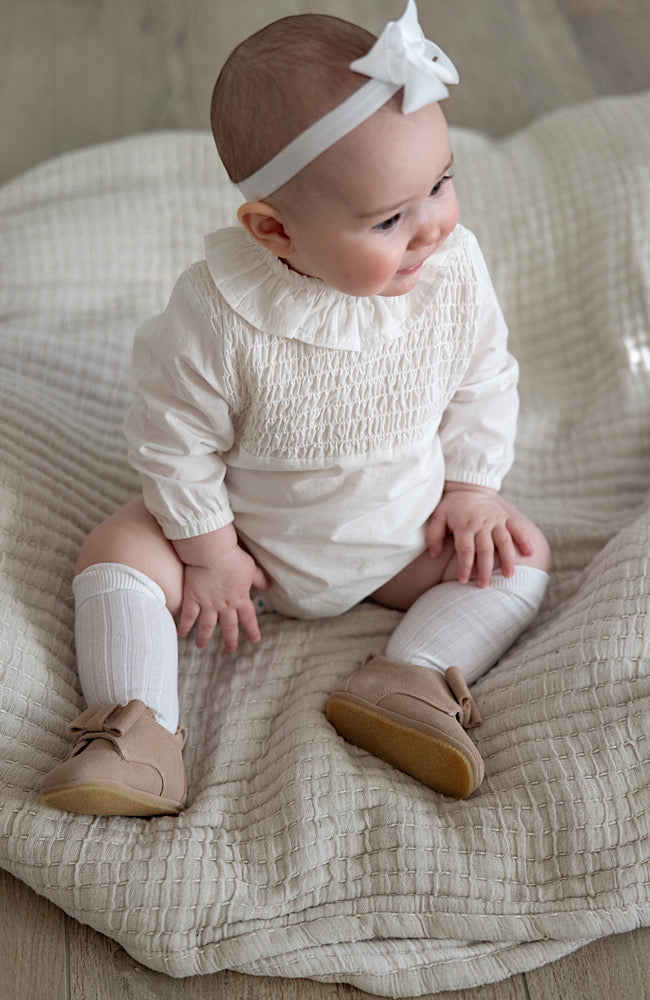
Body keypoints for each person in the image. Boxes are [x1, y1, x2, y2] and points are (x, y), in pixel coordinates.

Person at [41, 1, 551, 816]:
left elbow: (485, 375)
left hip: (397, 536)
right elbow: (172, 439)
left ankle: (410, 678)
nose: (431, 230)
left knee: (519, 554)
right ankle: (139, 731)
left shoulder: (453, 270)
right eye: (390, 219)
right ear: (273, 230)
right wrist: (208, 554)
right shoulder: (217, 311)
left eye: (442, 183)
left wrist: (470, 491)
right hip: (250, 549)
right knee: (118, 546)